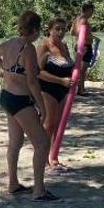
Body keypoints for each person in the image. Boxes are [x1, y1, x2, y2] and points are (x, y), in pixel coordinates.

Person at [0, 10, 59, 201]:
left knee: (15, 142)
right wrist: (42, 107)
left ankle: (13, 184)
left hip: (6, 96)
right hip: (20, 100)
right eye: (38, 30)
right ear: (34, 29)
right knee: (42, 143)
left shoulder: (10, 43)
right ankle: (39, 191)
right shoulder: (28, 49)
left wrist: (6, 69)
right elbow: (33, 82)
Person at [36, 18, 74, 171]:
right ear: (49, 29)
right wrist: (60, 80)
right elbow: (37, 72)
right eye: (57, 28)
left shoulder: (64, 46)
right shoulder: (44, 46)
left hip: (64, 89)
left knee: (59, 125)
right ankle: (43, 158)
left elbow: (71, 65)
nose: (60, 32)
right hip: (48, 88)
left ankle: (54, 157)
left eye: (63, 29)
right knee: (49, 124)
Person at [70, 2, 96, 96]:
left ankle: (81, 88)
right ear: (88, 10)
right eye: (92, 11)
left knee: (79, 68)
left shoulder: (76, 19)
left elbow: (72, 32)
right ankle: (81, 90)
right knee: (82, 69)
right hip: (84, 46)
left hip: (79, 45)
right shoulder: (84, 20)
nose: (92, 13)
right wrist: (92, 37)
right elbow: (80, 32)